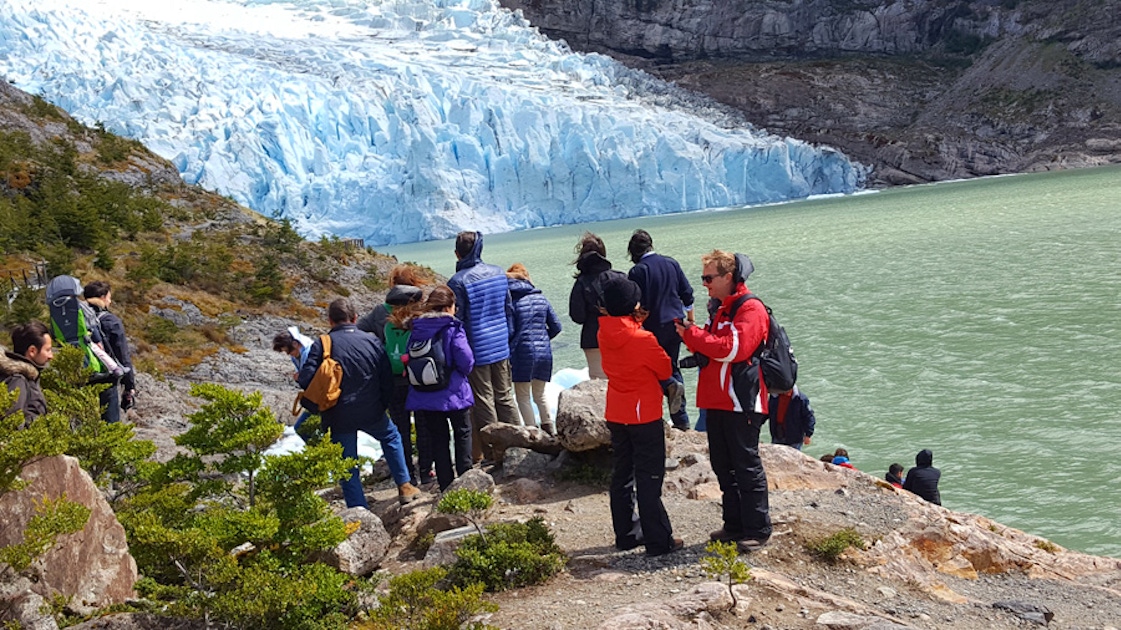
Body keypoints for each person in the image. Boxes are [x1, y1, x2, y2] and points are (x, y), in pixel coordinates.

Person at [675, 250, 772, 552]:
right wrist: (692, 333)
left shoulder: (750, 309)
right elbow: (718, 344)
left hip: (741, 401)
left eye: (708, 277)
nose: (704, 284)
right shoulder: (722, 308)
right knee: (723, 465)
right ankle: (735, 525)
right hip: (717, 400)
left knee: (745, 465)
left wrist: (692, 336)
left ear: (728, 277)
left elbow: (735, 349)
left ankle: (758, 528)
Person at [297, 298, 420, 508]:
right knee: (391, 437)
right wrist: (382, 405)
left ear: (330, 320)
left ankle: (358, 508)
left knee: (347, 462)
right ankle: (405, 486)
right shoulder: (371, 341)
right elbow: (386, 377)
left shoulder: (323, 344)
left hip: (338, 412)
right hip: (371, 408)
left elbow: (306, 379)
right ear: (354, 318)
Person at [598, 274, 682, 557]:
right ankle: (658, 540)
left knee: (622, 473)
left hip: (616, 410)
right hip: (643, 414)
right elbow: (665, 369)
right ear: (631, 303)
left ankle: (626, 534)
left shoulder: (603, 332)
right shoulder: (642, 338)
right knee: (649, 477)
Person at [447, 231, 520, 464]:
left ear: (458, 253)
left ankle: (494, 453)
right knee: (505, 397)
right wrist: (507, 339)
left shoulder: (458, 281)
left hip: (476, 348)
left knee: (483, 400)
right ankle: (520, 445)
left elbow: (459, 322)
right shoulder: (499, 273)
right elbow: (509, 310)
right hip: (500, 345)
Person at [358, 265, 431, 486]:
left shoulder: (381, 312)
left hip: (391, 378)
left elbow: (359, 330)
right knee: (424, 423)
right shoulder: (420, 308)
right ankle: (427, 471)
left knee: (399, 428)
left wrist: (380, 349)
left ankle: (407, 474)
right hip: (419, 375)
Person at [404, 286, 475, 491]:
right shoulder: (452, 327)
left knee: (439, 439)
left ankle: (446, 485)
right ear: (447, 306)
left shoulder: (416, 329)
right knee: (462, 433)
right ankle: (466, 481)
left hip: (425, 394)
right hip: (453, 391)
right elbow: (466, 359)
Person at [626, 229, 695, 429]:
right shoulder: (671, 263)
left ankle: (655, 417)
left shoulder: (638, 271)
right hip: (676, 324)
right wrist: (689, 320)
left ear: (633, 252)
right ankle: (682, 420)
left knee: (652, 370)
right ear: (651, 245)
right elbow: (687, 293)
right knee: (672, 365)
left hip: (652, 327)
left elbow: (637, 302)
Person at [506, 263, 562, 435]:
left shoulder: (511, 301)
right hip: (544, 352)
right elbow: (557, 326)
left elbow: (510, 331)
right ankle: (550, 430)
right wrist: (544, 338)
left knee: (522, 396)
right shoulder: (541, 298)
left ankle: (533, 434)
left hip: (522, 353)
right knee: (540, 394)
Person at [568, 232, 618, 380]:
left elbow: (577, 316)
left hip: (593, 337)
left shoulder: (581, 283)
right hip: (618, 334)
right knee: (621, 378)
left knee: (598, 380)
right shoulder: (618, 278)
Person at [82, 281, 134, 422]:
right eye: (109, 298)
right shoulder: (111, 321)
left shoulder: (77, 318)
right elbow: (122, 355)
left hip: (80, 376)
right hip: (105, 378)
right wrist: (129, 386)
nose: (110, 302)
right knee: (109, 427)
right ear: (103, 297)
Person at [2, 321, 53, 423]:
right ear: (32, 351)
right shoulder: (17, 380)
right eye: (48, 350)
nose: (51, 356)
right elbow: (12, 425)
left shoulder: (27, 377)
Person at [273, 326, 314, 434]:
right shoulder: (296, 356)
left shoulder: (311, 351)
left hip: (319, 397)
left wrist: (300, 377)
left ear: (295, 344)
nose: (287, 354)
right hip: (313, 396)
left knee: (301, 429)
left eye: (287, 350)